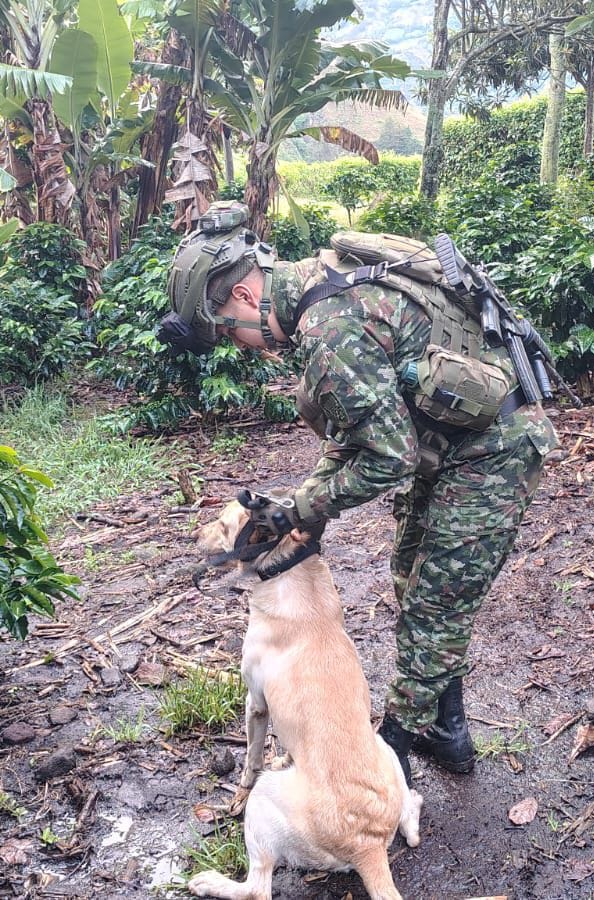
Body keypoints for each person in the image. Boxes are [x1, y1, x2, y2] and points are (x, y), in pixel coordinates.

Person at [158, 202, 557, 784]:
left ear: (244, 297)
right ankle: (448, 730)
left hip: (493, 452)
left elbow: (388, 458)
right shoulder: (321, 283)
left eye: (226, 330)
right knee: (408, 572)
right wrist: (299, 505)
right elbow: (359, 433)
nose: (239, 344)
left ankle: (384, 768)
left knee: (434, 604)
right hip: (450, 445)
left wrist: (301, 509)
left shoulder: (330, 328)